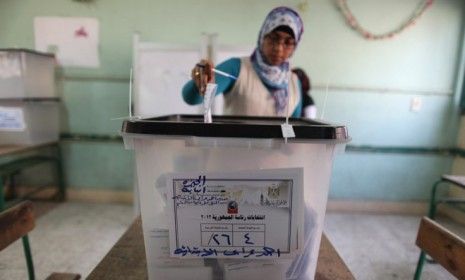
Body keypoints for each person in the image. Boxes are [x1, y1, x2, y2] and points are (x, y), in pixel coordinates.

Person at [182, 6, 304, 117]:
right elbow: (190, 98)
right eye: (273, 38)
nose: (278, 48)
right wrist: (200, 80)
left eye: (288, 42)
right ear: (262, 36)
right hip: (235, 142)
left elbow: (295, 128)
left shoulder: (293, 81)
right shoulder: (237, 68)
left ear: (295, 47)